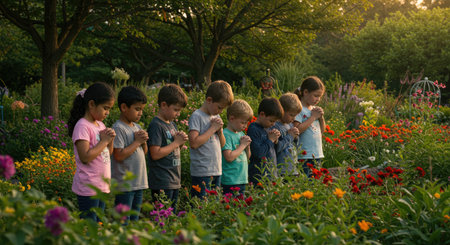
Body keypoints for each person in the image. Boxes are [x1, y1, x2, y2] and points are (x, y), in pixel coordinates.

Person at [67, 82, 115, 222]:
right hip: (89, 187)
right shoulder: (82, 126)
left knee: (98, 224)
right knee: (89, 225)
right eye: (105, 108)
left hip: (102, 186)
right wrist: (104, 141)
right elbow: (85, 157)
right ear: (92, 104)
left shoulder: (100, 124)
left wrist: (110, 140)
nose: (108, 112)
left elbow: (108, 153)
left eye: (109, 109)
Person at [188, 80, 234, 198]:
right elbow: (193, 143)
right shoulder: (197, 116)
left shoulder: (216, 116)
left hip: (216, 170)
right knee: (201, 205)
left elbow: (223, 144)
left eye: (223, 109)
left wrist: (220, 132)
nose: (220, 111)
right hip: (202, 171)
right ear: (209, 100)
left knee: (213, 206)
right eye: (219, 107)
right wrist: (213, 129)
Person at [111, 86, 149, 223]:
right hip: (125, 185)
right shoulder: (118, 128)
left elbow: (144, 153)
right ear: (124, 107)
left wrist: (143, 142)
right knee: (122, 221)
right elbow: (118, 155)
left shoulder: (136, 127)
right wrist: (137, 142)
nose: (140, 113)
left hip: (138, 183)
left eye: (142, 110)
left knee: (134, 220)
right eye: (137, 109)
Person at [147, 84, 188, 210]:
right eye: (176, 110)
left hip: (174, 180)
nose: (178, 114)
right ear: (164, 105)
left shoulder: (171, 125)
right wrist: (176, 143)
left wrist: (180, 144)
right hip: (162, 181)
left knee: (171, 216)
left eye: (179, 110)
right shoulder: (156, 125)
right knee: (163, 216)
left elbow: (171, 149)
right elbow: (155, 153)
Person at [293, 76, 326, 177]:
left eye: (320, 96)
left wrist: (321, 118)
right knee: (305, 181)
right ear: (305, 92)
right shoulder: (299, 109)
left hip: (317, 153)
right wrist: (313, 117)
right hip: (304, 155)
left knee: (316, 182)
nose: (318, 99)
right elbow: (296, 130)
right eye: (316, 96)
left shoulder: (314, 109)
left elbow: (322, 131)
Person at [247, 97, 283, 185]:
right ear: (262, 114)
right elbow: (258, 153)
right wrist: (270, 140)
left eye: (275, 121)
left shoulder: (268, 128)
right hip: (259, 176)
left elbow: (276, 150)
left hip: (271, 174)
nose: (273, 124)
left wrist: (276, 140)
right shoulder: (253, 129)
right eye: (271, 120)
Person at [221, 99, 253, 196]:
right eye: (242, 122)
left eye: (246, 123)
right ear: (231, 119)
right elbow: (229, 157)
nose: (245, 126)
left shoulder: (241, 134)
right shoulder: (226, 134)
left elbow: (247, 157)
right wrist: (242, 145)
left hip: (242, 178)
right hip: (230, 180)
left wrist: (247, 147)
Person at [274, 93, 302, 176]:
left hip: (292, 168)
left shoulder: (289, 125)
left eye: (296, 115)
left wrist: (296, 137)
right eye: (291, 115)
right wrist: (290, 136)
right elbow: (277, 148)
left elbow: (294, 146)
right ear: (281, 110)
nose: (294, 118)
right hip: (282, 169)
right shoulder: (275, 126)